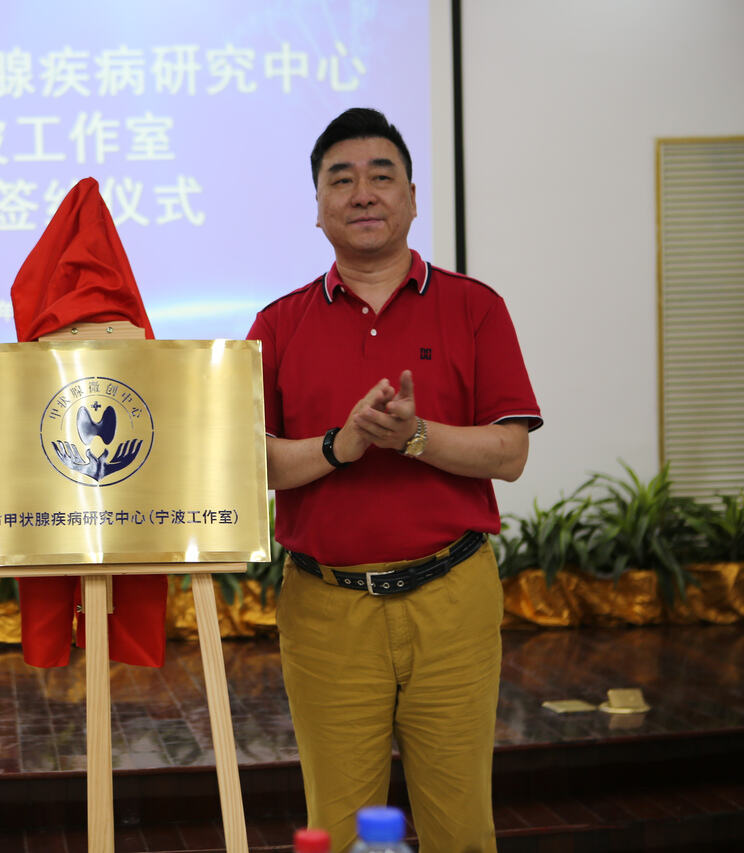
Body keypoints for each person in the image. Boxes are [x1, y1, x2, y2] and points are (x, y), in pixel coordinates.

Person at [247, 108, 542, 852]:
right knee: (341, 826)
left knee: (459, 824)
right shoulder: (277, 324)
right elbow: (252, 462)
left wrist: (415, 437)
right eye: (340, 180)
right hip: (327, 607)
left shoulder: (475, 307)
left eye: (382, 176)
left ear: (411, 197)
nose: (363, 193)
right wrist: (341, 445)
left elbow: (509, 452)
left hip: (452, 598)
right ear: (318, 208)